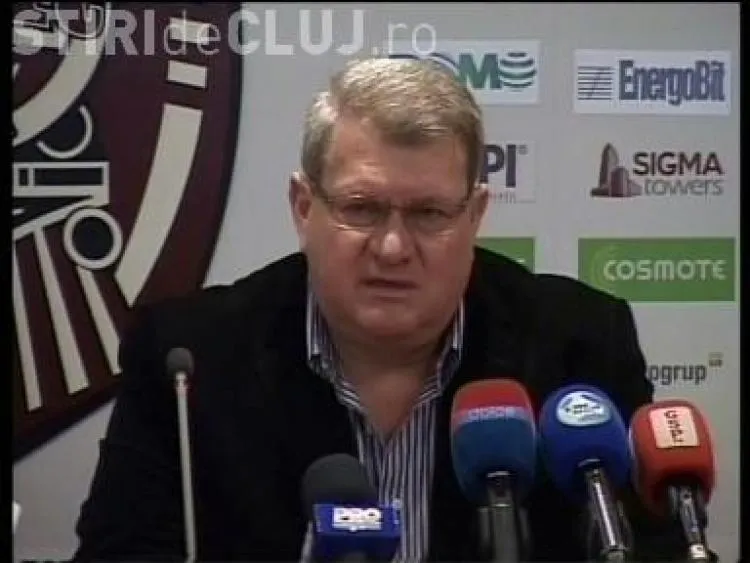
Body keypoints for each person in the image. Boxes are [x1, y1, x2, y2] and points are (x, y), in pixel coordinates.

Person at [73, 57, 691, 562]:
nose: (393, 247)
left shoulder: (580, 345)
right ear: (303, 208)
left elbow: (650, 547)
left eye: (429, 213)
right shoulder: (189, 359)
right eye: (362, 209)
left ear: (475, 215)